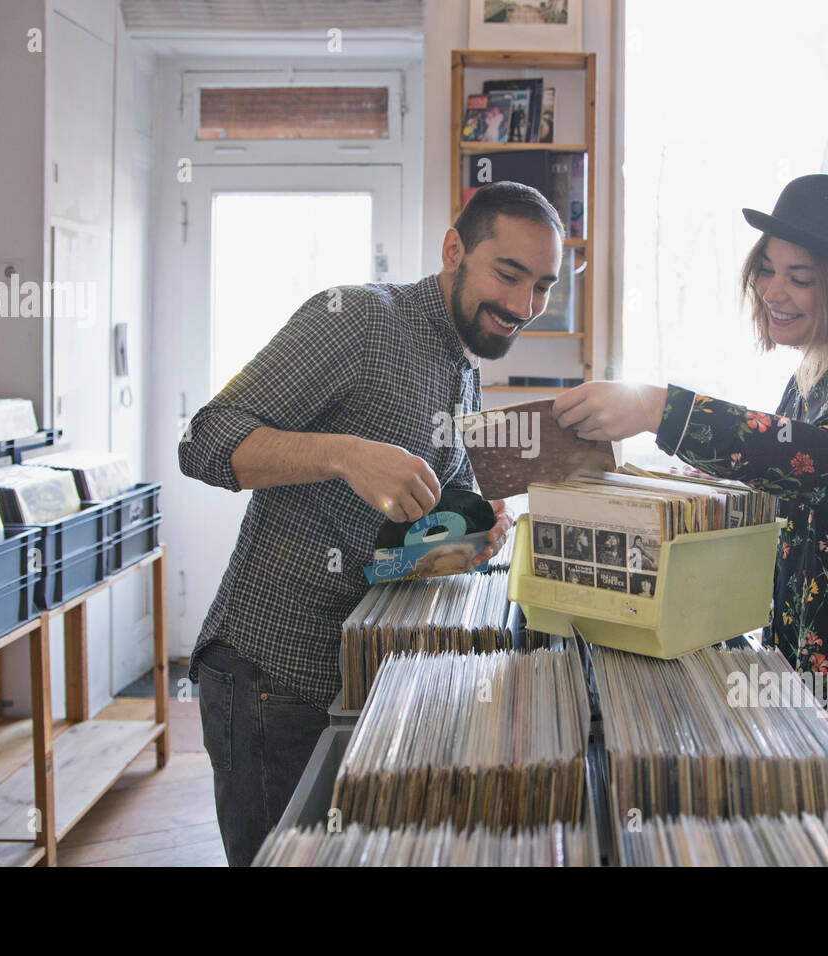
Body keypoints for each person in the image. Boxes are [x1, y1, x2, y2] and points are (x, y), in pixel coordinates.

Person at [553, 174, 828, 861]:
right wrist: (694, 476)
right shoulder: (810, 376)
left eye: (799, 277)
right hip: (803, 666)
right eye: (767, 270)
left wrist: (662, 409)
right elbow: (787, 477)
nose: (774, 291)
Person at [178, 181, 564, 865]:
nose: (523, 306)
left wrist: (470, 534)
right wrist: (342, 455)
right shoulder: (355, 318)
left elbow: (389, 547)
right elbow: (205, 440)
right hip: (271, 679)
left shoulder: (463, 366)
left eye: (543, 286)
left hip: (354, 680)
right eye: (509, 274)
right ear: (454, 250)